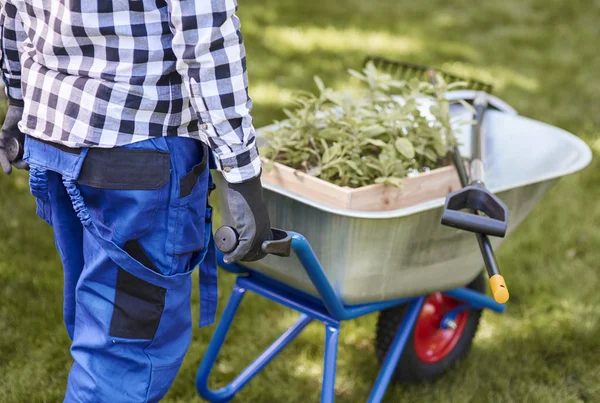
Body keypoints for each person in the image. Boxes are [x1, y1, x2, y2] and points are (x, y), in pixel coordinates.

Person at [0, 0, 271, 401]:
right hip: (138, 155)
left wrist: (19, 100)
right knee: (123, 355)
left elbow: (11, 11)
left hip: (54, 138)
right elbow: (206, 38)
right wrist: (242, 171)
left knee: (103, 326)